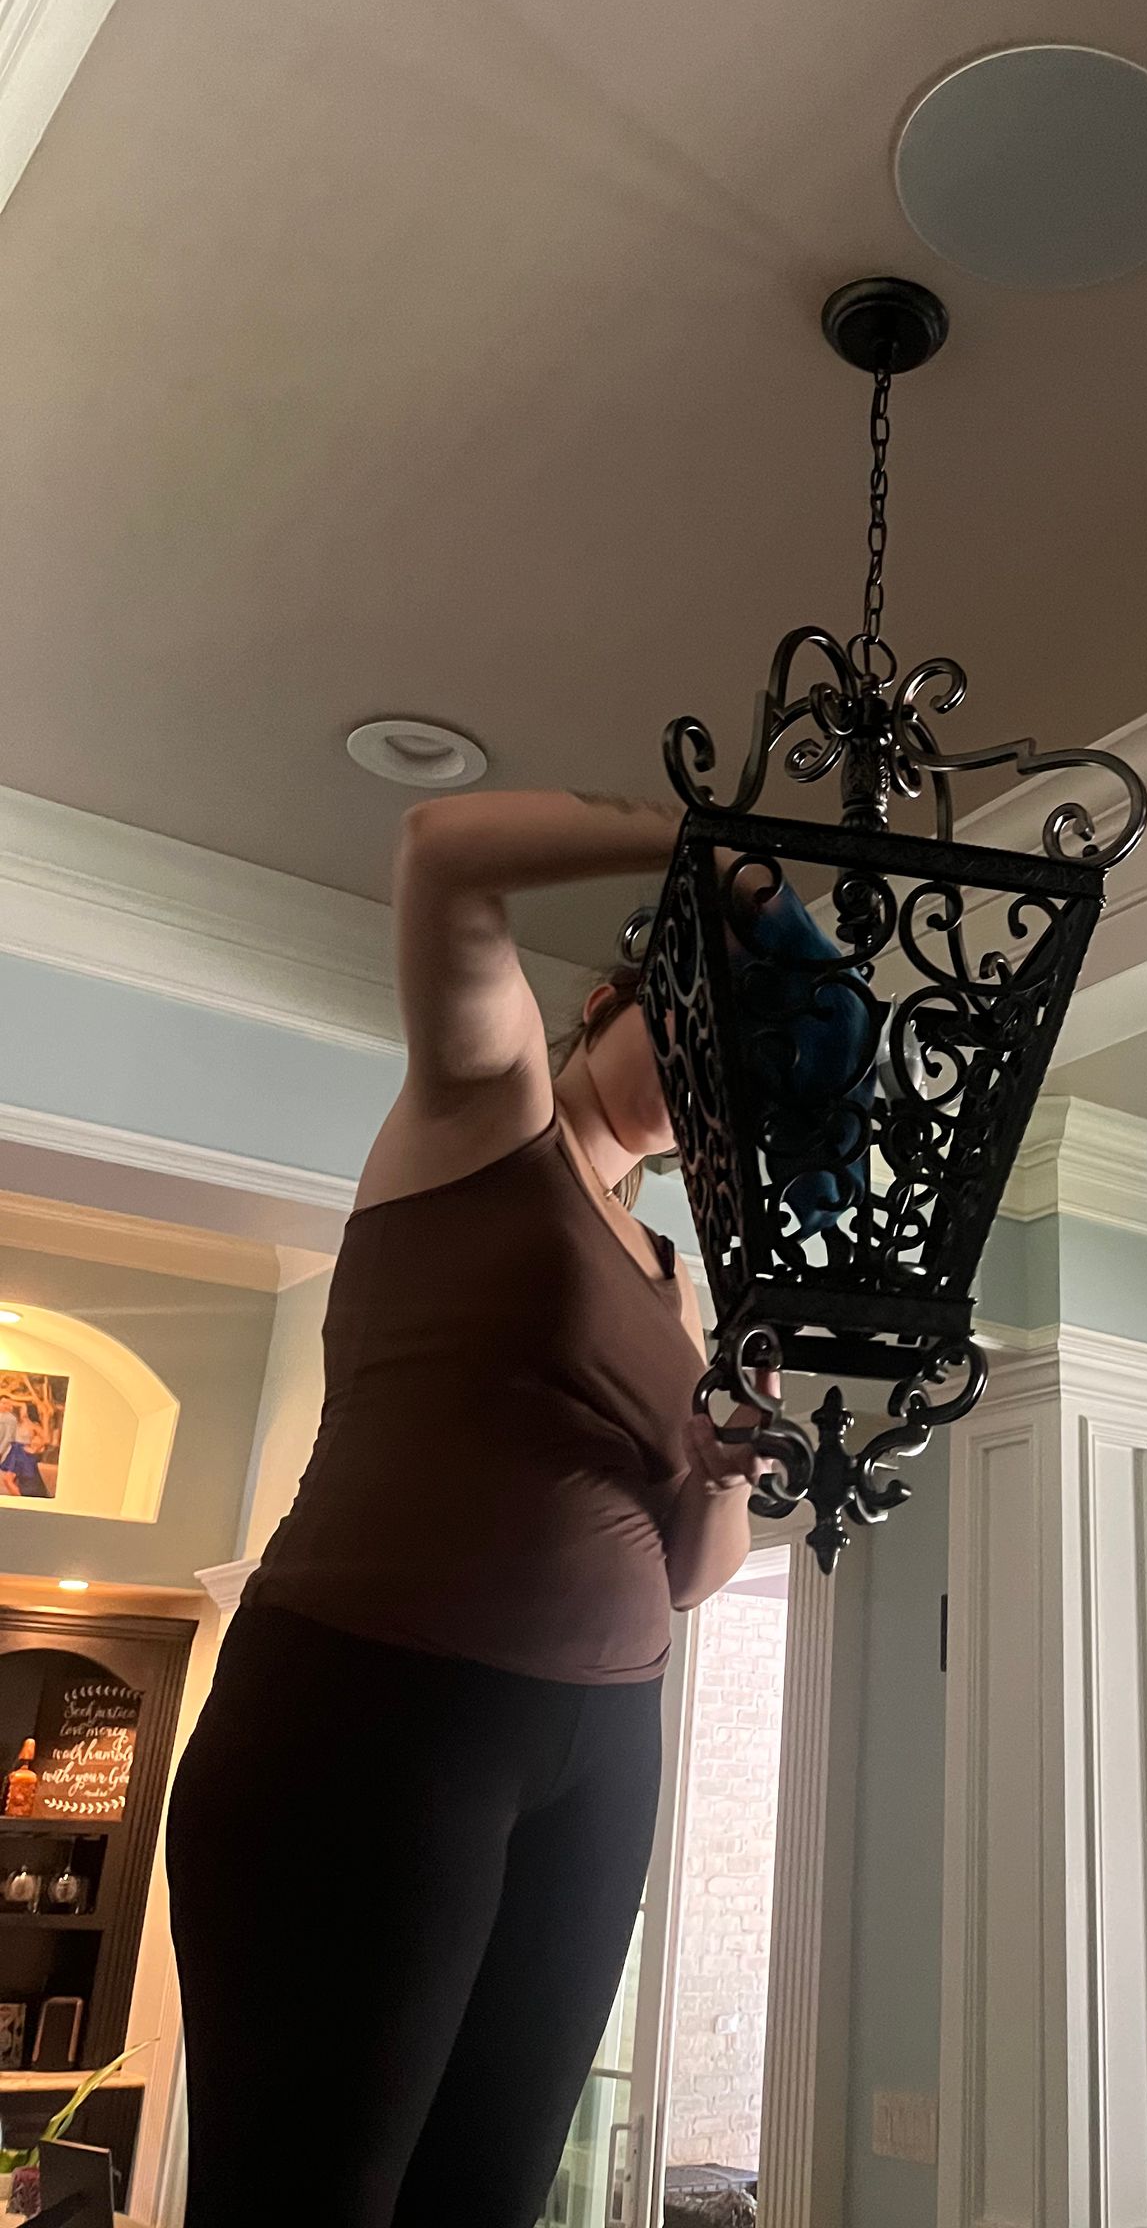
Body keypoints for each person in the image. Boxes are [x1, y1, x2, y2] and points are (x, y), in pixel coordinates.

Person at [166, 790, 769, 2228]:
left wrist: (732, 1464)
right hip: (378, 1711)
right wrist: (715, 853)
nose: (704, 1071)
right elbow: (445, 850)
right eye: (694, 1020)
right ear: (621, 996)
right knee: (306, 2198)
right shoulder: (487, 1110)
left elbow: (693, 1572)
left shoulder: (681, 1281)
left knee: (485, 2203)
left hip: (605, 1745)